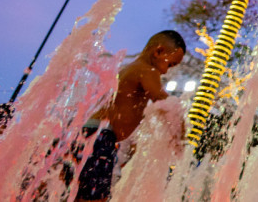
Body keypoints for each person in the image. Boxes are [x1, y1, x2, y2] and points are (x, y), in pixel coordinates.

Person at [76, 30, 185, 202]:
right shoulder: (148, 70)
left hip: (95, 133)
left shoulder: (132, 68)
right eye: (170, 64)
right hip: (101, 135)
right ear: (158, 51)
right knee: (95, 197)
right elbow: (163, 101)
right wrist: (179, 136)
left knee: (85, 194)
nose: (166, 72)